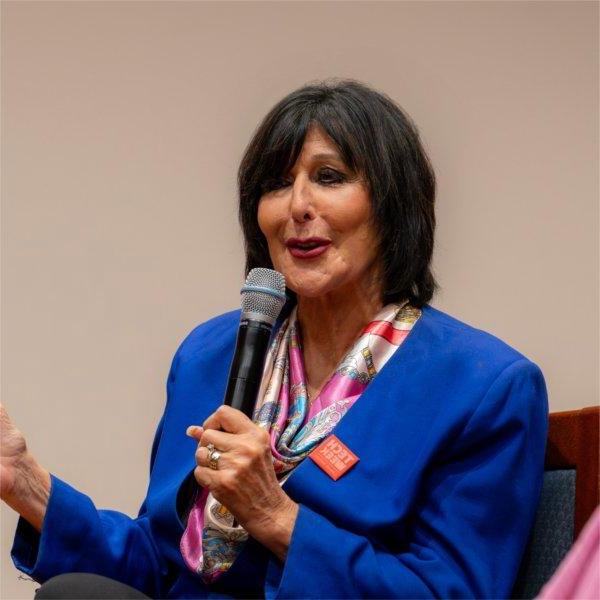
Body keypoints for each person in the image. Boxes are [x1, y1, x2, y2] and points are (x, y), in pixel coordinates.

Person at [1, 78, 548, 599]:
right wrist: (28, 486)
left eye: (329, 177)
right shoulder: (209, 352)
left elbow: (452, 593)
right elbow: (163, 566)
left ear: (393, 202)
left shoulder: (483, 386)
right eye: (276, 184)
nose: (297, 206)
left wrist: (275, 517)